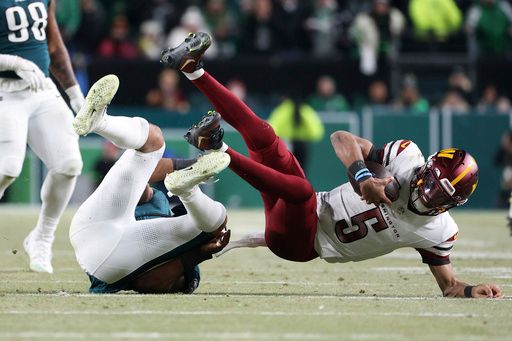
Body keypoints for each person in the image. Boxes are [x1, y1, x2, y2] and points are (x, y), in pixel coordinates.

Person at [160, 32, 503, 298]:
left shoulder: (438, 231)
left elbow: (449, 286)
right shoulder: (404, 160)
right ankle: (194, 70)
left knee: (301, 191)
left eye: (441, 198)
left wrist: (471, 290)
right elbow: (341, 138)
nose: (428, 197)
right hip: (307, 213)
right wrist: (363, 177)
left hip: (304, 242)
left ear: (453, 205)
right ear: (426, 169)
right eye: (430, 184)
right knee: (265, 137)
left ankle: (219, 148)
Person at [70, 74, 231, 294]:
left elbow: (149, 283)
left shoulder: (161, 208)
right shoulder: (160, 203)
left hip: (93, 237)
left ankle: (102, 124)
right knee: (218, 222)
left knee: (154, 141)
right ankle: (99, 121)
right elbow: (144, 175)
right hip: (104, 246)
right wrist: (192, 163)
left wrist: (197, 255)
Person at [0, 0, 85, 273]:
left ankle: (42, 237)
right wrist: (11, 61)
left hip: (42, 89)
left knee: (69, 164)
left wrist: (74, 95)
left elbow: (53, 42)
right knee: (7, 169)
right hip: (4, 90)